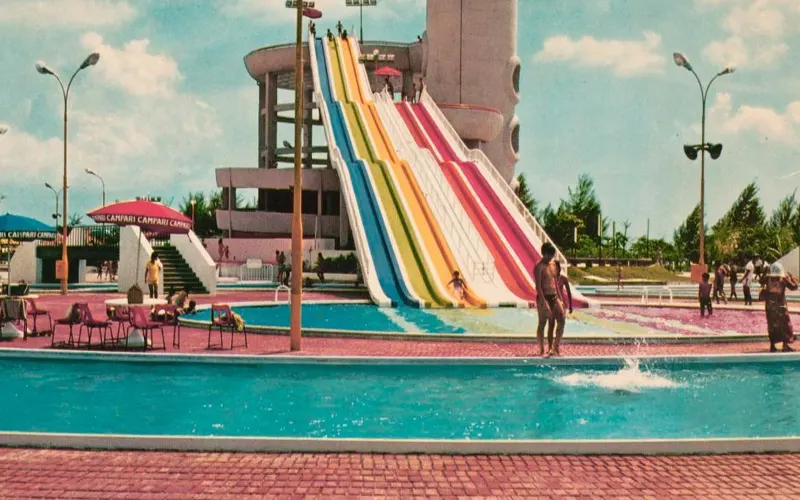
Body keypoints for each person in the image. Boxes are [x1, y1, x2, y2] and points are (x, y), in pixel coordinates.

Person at [534, 243, 564, 358]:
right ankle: (542, 348)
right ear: (543, 253)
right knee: (542, 323)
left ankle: (554, 347)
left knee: (561, 320)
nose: (550, 258)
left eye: (552, 255)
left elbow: (555, 283)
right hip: (544, 297)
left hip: (554, 297)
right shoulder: (539, 267)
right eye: (548, 255)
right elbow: (538, 287)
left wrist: (560, 299)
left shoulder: (552, 264)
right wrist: (544, 303)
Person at [762, 263, 798, 352]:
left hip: (770, 307)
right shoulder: (783, 280)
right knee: (785, 325)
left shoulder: (767, 279)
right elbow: (794, 287)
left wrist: (765, 273)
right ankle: (785, 345)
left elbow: (760, 281)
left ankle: (772, 346)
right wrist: (791, 277)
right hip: (781, 307)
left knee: (772, 325)